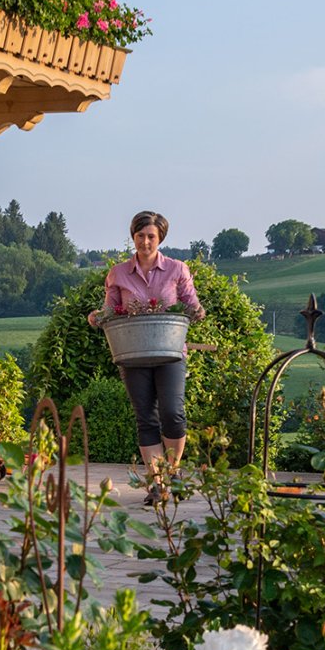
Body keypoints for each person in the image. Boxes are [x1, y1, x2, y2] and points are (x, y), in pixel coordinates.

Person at [88, 211, 205, 504]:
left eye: (151, 236)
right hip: (133, 354)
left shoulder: (177, 269)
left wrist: (197, 312)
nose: (145, 241)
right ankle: (158, 484)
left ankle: (172, 471)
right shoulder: (118, 273)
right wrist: (97, 317)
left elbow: (191, 304)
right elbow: (111, 310)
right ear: (133, 237)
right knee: (146, 418)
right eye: (140, 236)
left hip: (170, 353)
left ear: (160, 238)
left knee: (173, 414)